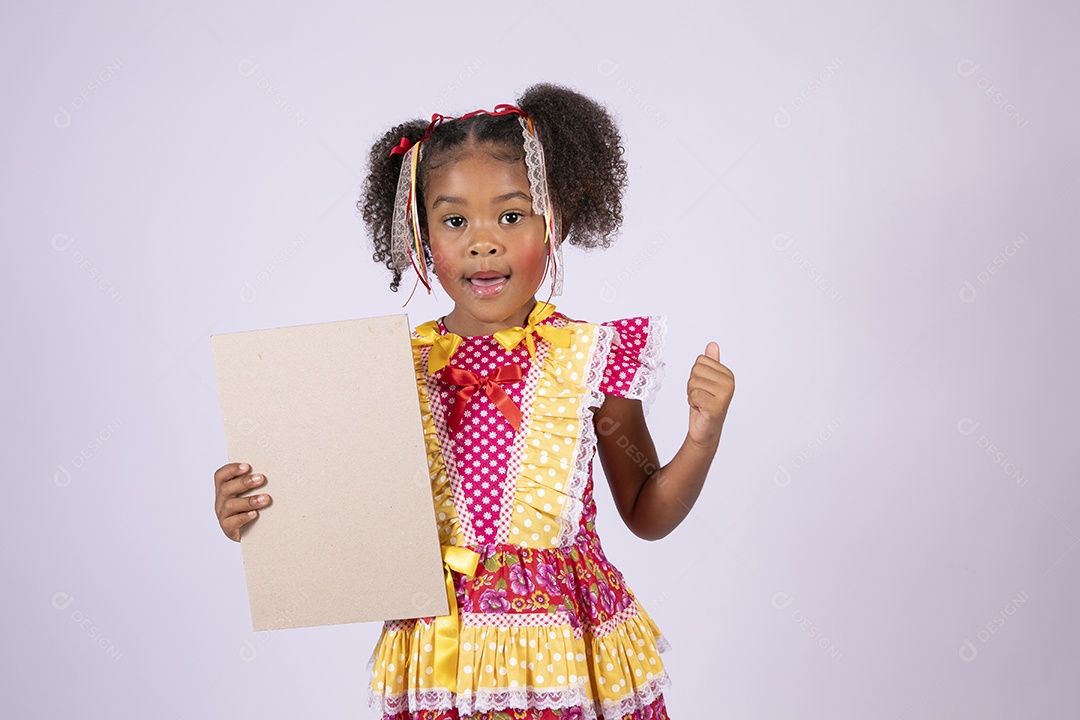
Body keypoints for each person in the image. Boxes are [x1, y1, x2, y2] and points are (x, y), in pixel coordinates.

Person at [214, 83, 735, 720]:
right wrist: (254, 511)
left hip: (564, 656)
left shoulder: (591, 356)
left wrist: (701, 438)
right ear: (420, 232)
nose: (482, 241)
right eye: (455, 220)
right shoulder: (383, 374)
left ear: (556, 221)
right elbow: (335, 511)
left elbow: (647, 513)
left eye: (511, 216)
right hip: (442, 656)